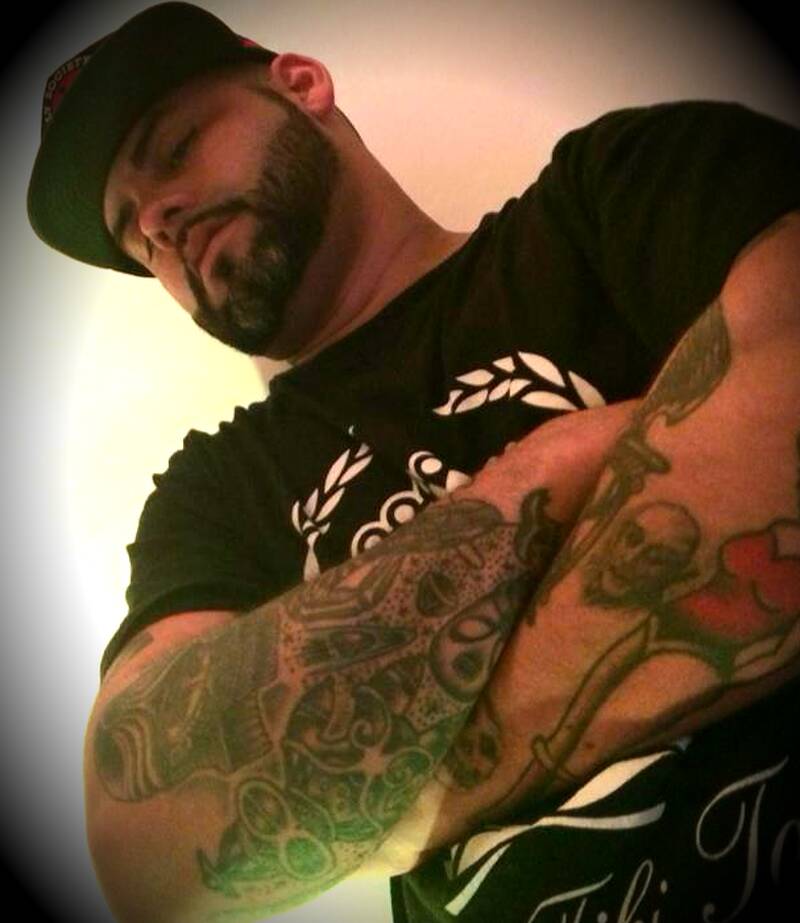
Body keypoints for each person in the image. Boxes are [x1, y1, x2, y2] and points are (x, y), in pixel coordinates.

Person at [27, 3, 800, 922]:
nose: (157, 221)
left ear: (302, 86)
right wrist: (553, 468)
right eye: (131, 233)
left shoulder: (615, 192)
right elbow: (147, 852)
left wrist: (382, 800)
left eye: (176, 145)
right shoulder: (212, 496)